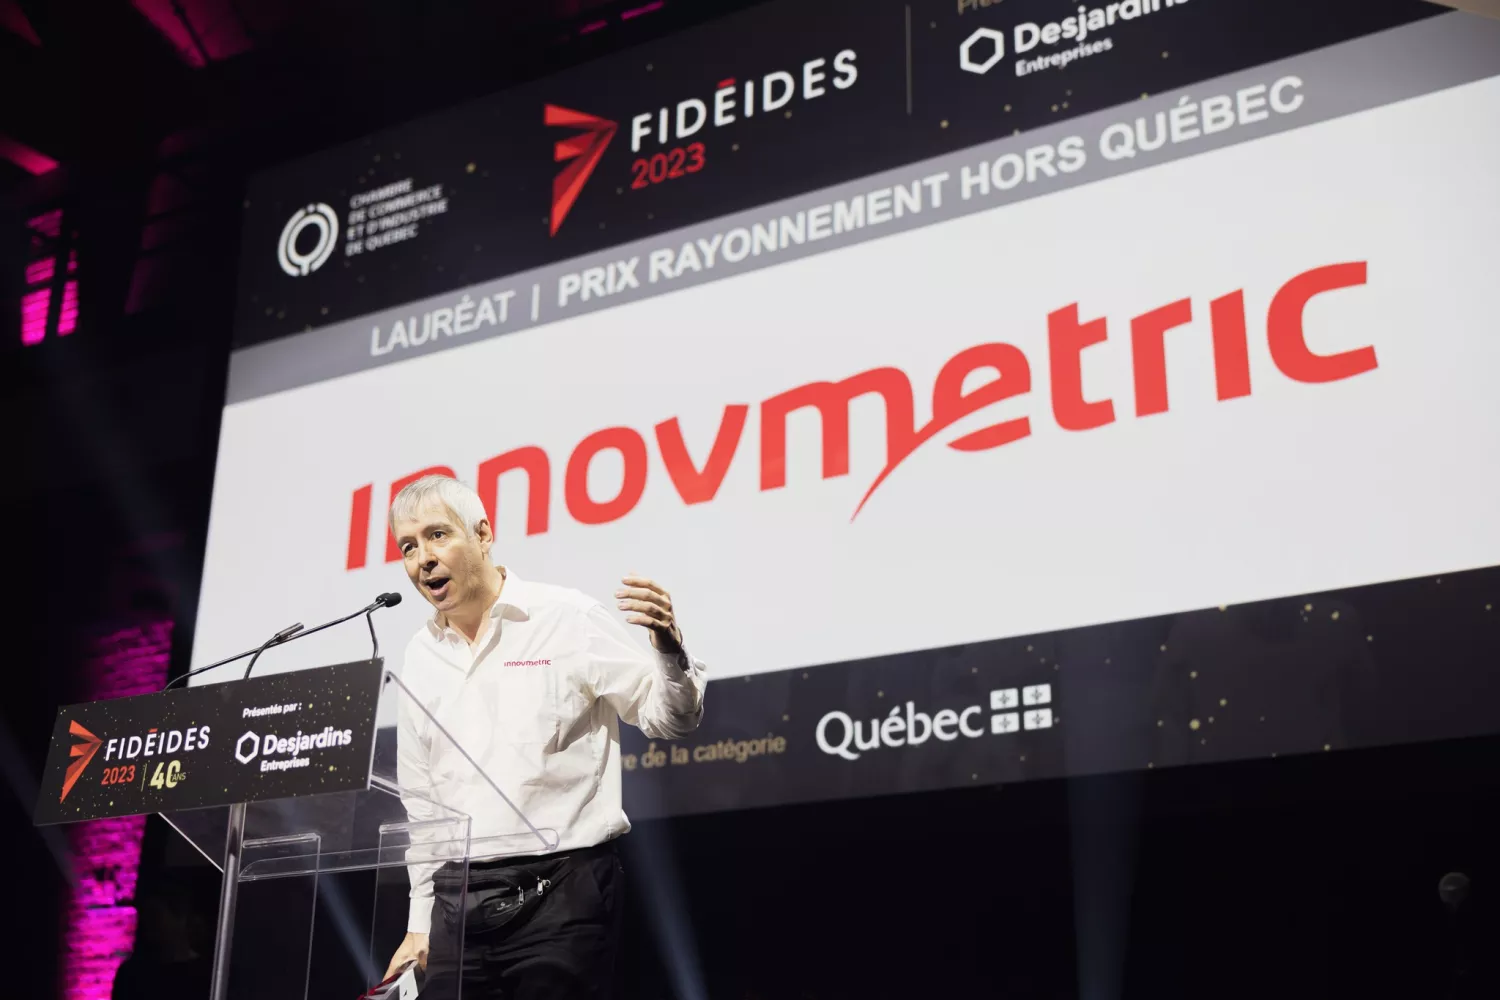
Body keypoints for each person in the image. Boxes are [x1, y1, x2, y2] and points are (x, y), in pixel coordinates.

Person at [380, 474, 706, 998]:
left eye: (438, 535)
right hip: (457, 905)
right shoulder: (420, 656)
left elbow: (668, 718)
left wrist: (668, 647)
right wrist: (419, 922)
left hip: (563, 894)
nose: (423, 558)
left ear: (484, 534)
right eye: (408, 546)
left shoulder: (566, 618)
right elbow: (423, 809)